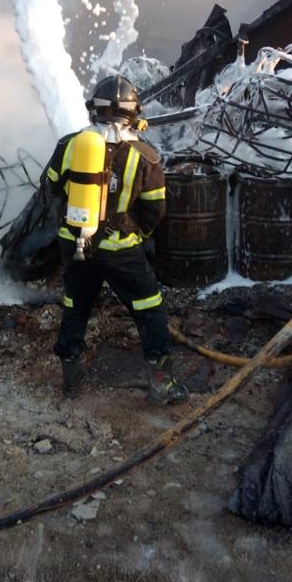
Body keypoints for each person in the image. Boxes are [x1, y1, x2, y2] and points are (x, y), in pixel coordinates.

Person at [44, 74, 188, 406]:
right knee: (148, 306)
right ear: (134, 112)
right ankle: (162, 385)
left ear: (93, 109)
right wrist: (137, 233)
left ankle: (70, 376)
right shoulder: (146, 155)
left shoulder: (69, 145)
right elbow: (155, 208)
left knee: (76, 303)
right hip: (121, 248)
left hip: (74, 242)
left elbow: (51, 187)